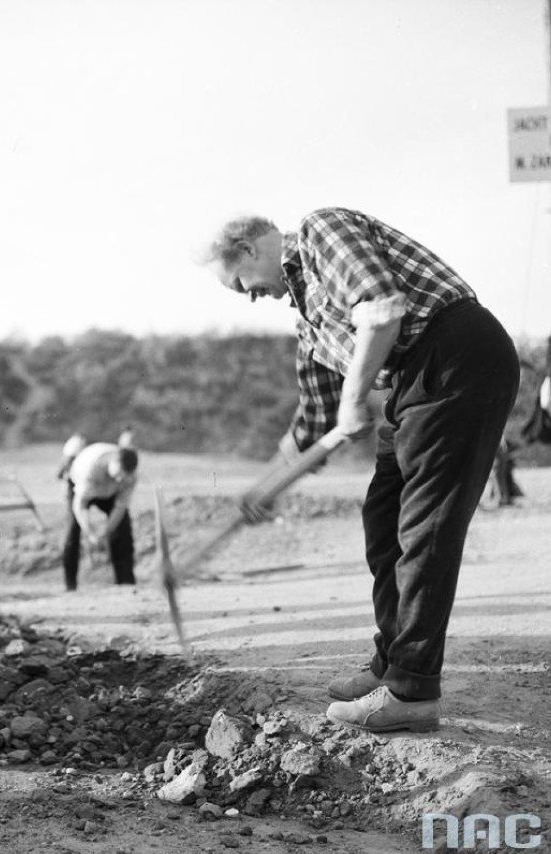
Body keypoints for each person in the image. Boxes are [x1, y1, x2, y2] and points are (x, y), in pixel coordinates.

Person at [203, 207, 519, 733]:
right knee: (383, 525)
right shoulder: (309, 327)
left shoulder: (320, 230)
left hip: (457, 354)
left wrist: (355, 395)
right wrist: (264, 489)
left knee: (424, 531)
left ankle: (412, 691)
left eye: (243, 286)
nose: (254, 298)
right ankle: (390, 664)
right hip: (410, 383)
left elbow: (380, 307)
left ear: (252, 249)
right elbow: (313, 426)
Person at [63, 442, 139, 591]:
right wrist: (90, 533)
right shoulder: (91, 467)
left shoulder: (130, 477)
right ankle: (70, 584)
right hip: (81, 489)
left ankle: (125, 583)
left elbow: (120, 507)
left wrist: (105, 533)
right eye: (119, 475)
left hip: (110, 494)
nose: (120, 480)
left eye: (124, 478)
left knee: (122, 528)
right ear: (114, 462)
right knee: (72, 531)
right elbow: (80, 506)